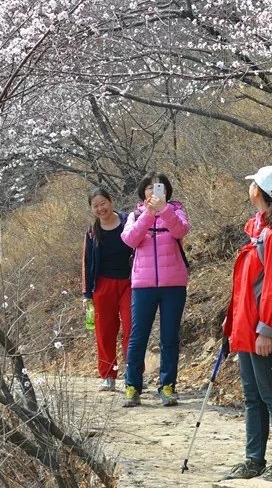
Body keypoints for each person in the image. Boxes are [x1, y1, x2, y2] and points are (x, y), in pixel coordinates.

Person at [221, 165, 272, 483]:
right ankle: (254, 459)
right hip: (247, 325)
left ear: (257, 191)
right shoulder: (261, 230)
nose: (249, 188)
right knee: (252, 396)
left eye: (252, 183)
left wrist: (266, 329)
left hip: (261, 329)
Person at [120, 171, 189, 407]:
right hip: (143, 284)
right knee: (137, 337)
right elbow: (129, 239)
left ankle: (167, 386)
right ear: (143, 192)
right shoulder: (135, 215)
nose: (154, 191)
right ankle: (132, 386)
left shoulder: (177, 211)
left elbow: (180, 231)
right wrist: (149, 214)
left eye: (158, 187)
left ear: (167, 191)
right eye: (149, 188)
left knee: (169, 337)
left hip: (174, 283)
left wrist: (164, 211)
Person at [81, 187, 134, 392]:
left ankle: (134, 373)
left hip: (130, 282)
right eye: (95, 206)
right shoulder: (92, 232)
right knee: (104, 332)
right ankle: (108, 375)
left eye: (103, 203)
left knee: (132, 329)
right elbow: (86, 262)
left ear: (111, 201)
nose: (100, 208)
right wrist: (86, 295)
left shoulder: (128, 221)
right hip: (102, 285)